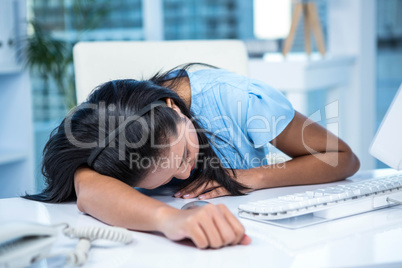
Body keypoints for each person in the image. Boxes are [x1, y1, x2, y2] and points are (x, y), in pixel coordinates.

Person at [24, 64, 360, 249]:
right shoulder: (113, 145)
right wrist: (172, 220)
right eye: (168, 177)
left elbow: (342, 157)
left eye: (184, 153)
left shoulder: (238, 101)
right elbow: (88, 189)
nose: (185, 175)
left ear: (174, 108)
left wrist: (249, 177)